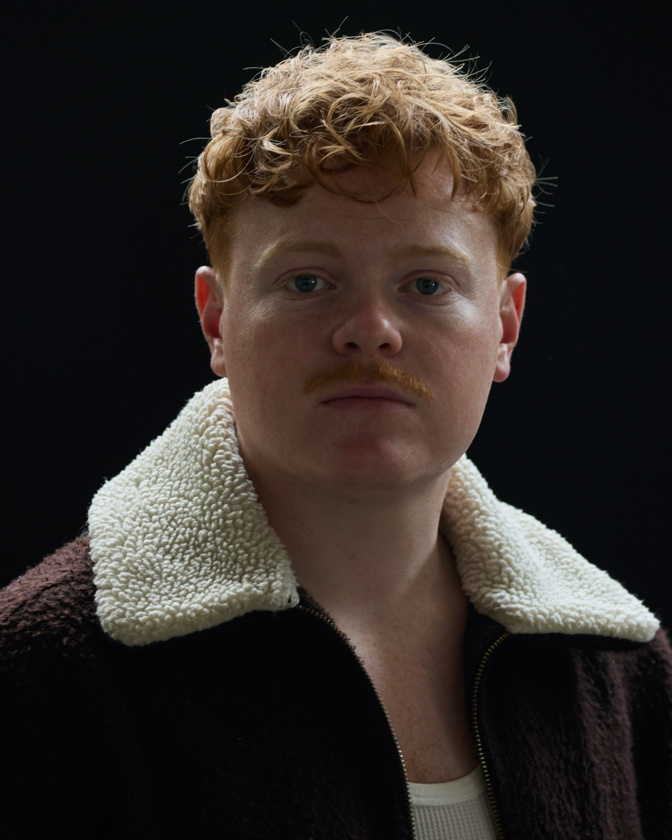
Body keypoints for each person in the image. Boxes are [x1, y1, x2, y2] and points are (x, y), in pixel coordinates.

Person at [1, 33, 670, 840]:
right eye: (308, 281)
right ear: (216, 321)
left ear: (504, 327)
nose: (371, 330)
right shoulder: (42, 675)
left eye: (427, 284)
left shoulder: (619, 671)